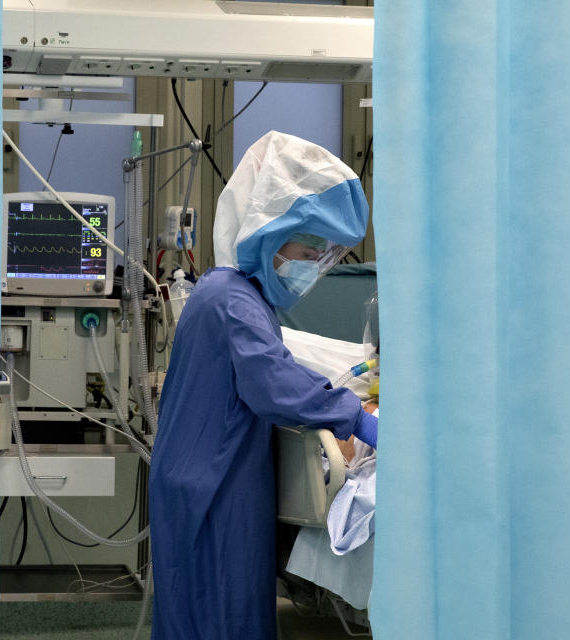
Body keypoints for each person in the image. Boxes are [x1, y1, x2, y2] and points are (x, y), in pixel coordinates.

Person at [149, 131, 379, 640]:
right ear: (270, 230)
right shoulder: (232, 301)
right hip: (214, 488)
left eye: (328, 256)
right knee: (221, 615)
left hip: (210, 478)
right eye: (311, 248)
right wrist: (356, 417)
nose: (316, 265)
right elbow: (273, 382)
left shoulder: (232, 294)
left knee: (205, 613)